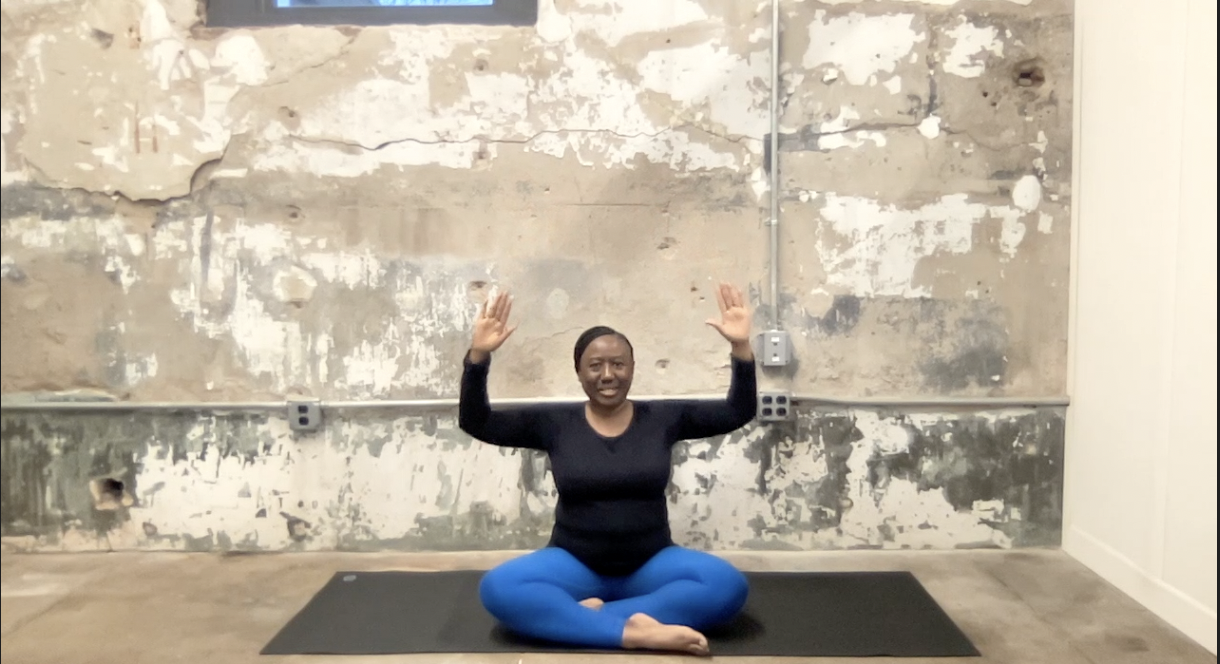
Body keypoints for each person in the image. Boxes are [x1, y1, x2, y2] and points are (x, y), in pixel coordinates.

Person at [458, 283, 758, 656]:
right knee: (499, 589)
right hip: (573, 564)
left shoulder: (663, 418)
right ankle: (637, 632)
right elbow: (477, 422)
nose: (607, 374)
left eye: (618, 364)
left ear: (632, 369)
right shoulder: (554, 423)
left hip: (651, 564)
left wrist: (740, 348)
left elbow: (737, 411)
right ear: (579, 372)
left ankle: (581, 620)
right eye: (595, 365)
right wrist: (478, 357)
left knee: (727, 586)